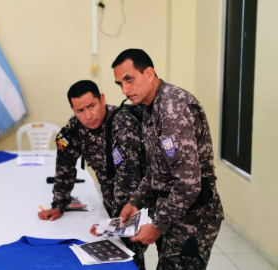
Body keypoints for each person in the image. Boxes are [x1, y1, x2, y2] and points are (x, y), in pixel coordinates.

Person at [112, 49, 224, 269]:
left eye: (129, 79)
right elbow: (155, 170)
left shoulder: (174, 108)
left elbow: (188, 183)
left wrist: (157, 226)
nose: (125, 89)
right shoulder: (149, 108)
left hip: (193, 218)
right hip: (173, 212)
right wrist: (134, 202)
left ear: (149, 73)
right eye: (120, 84)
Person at [37, 80, 148, 270]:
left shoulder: (122, 123)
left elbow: (129, 176)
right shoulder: (75, 127)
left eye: (91, 106)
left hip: (137, 201)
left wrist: (113, 224)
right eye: (80, 111)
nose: (88, 116)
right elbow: (64, 164)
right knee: (111, 256)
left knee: (129, 256)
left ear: (102, 99)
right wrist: (59, 204)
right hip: (110, 199)